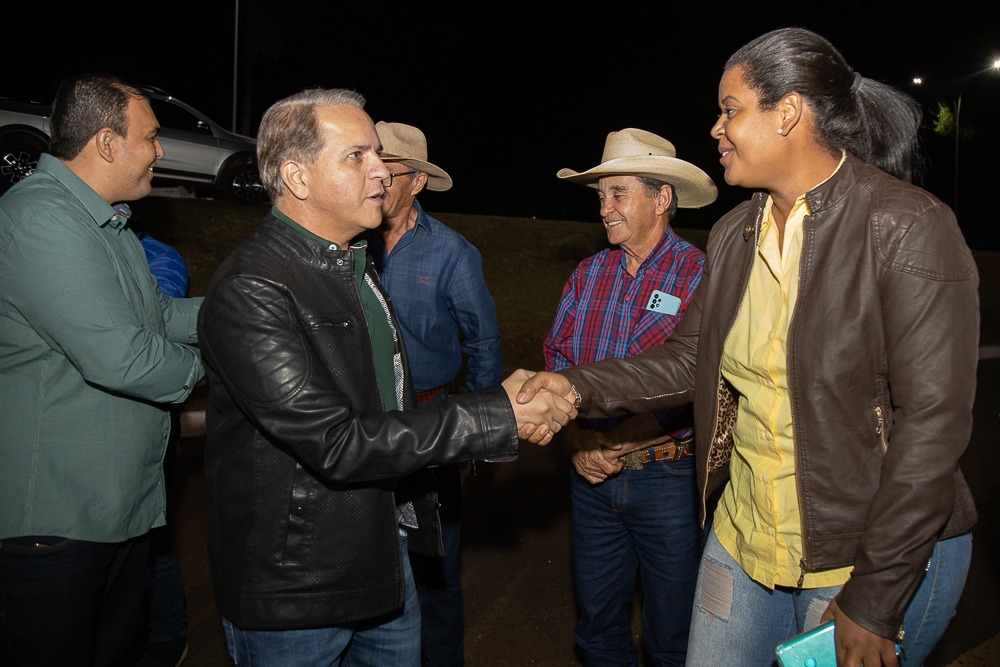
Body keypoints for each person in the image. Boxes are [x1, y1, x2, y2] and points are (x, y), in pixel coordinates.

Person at [518, 26, 979, 667]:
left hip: (862, 554)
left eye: (729, 109)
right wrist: (575, 387)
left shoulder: (907, 227)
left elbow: (934, 423)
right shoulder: (736, 232)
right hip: (743, 535)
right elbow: (689, 355)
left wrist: (876, 595)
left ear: (788, 111)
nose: (715, 128)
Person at [196, 87, 573, 666]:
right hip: (298, 587)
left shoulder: (353, 264)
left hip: (382, 556)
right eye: (358, 156)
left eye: (381, 156)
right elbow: (336, 441)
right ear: (296, 177)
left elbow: (388, 404)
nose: (382, 171)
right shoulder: (254, 288)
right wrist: (494, 412)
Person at [0, 74, 205, 666]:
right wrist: (232, 362)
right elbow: (123, 356)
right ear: (108, 143)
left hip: (114, 508)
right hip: (55, 520)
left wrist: (241, 312)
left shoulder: (104, 223)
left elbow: (157, 314)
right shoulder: (42, 221)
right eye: (151, 137)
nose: (160, 151)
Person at [543, 128, 717, 666]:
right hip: (590, 478)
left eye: (619, 194)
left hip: (669, 482)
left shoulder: (701, 275)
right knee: (598, 628)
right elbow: (557, 363)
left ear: (661, 197)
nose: (605, 208)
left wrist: (627, 438)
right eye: (601, 196)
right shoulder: (588, 275)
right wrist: (576, 442)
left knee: (675, 635)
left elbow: (706, 380)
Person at [365, 121, 503, 667]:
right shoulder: (348, 244)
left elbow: (484, 343)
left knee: (437, 565)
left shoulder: (453, 254)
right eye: (369, 165)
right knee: (366, 558)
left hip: (432, 427)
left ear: (417, 181)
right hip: (363, 427)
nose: (374, 178)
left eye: (388, 171)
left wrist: (477, 431)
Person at [128, 211, 192, 667]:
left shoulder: (157, 258)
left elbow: (151, 335)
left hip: (149, 428)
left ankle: (169, 634)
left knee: (152, 534)